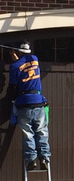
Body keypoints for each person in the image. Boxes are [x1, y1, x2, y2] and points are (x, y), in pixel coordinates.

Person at [7, 41, 51, 170]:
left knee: (28, 133)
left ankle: (31, 159)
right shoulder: (35, 59)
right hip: (38, 101)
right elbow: (26, 64)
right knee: (42, 131)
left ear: (18, 52)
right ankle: (44, 157)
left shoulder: (14, 66)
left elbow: (13, 86)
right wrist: (17, 58)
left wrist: (14, 59)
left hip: (24, 103)